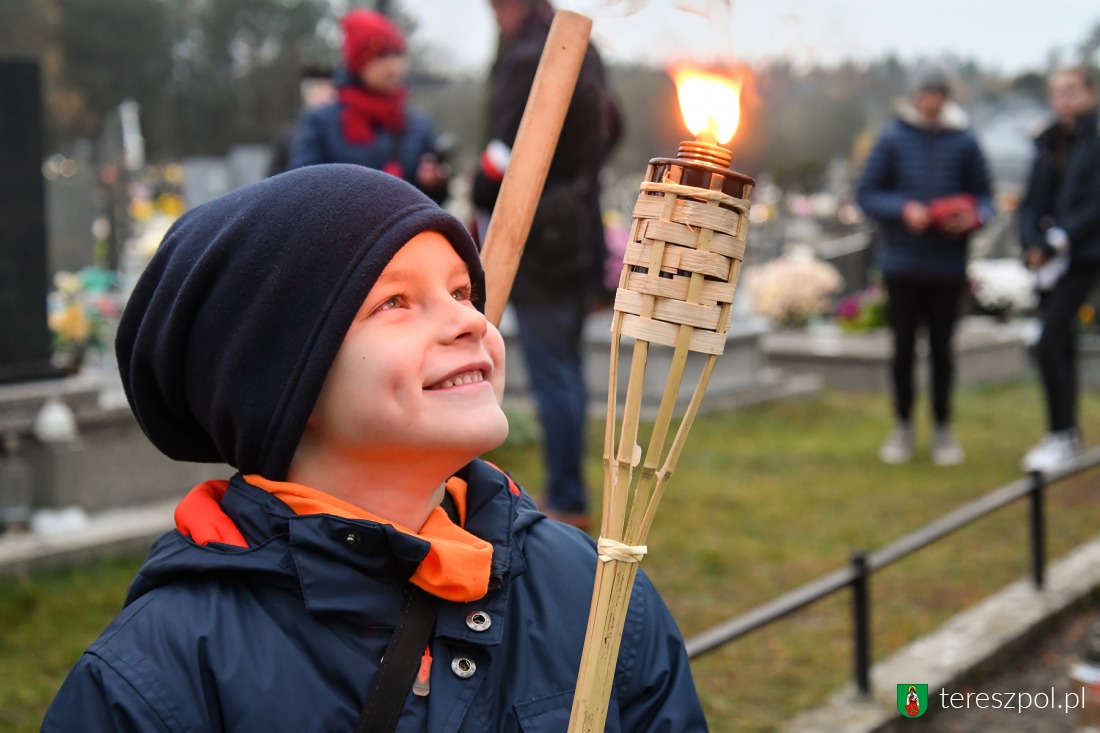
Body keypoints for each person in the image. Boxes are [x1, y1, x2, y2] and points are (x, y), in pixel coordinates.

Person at [39, 165, 705, 731]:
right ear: (284, 383)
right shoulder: (158, 679)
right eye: (395, 302)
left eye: (461, 290)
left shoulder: (592, 594)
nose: (469, 321)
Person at [473, 0, 620, 530]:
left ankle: (566, 497)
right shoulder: (584, 50)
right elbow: (614, 126)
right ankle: (571, 493)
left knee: (554, 372)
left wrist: (478, 189)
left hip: (540, 235)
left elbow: (506, 148)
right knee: (567, 371)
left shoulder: (528, 56)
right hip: (579, 227)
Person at [857, 62, 994, 467]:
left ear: (946, 97)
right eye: (925, 93)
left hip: (947, 265)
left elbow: (985, 197)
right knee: (902, 349)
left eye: (937, 93)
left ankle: (942, 428)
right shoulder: (892, 138)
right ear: (915, 96)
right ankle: (902, 425)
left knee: (942, 351)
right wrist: (904, 210)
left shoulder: (965, 140)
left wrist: (972, 217)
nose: (931, 100)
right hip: (902, 263)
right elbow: (867, 193)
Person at [1018, 66, 1100, 474]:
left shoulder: (1094, 139)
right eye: (1057, 92)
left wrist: (1059, 239)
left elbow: (1094, 203)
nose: (1063, 100)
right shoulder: (1048, 141)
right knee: (1060, 344)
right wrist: (1032, 241)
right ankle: (1064, 432)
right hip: (1049, 261)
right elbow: (1032, 199)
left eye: (1071, 91)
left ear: (1090, 93)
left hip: (1082, 257)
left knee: (1049, 342)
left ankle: (1061, 433)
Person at [288, 10, 450, 203]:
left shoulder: (418, 126)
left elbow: (433, 203)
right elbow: (300, 190)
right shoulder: (320, 123)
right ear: (359, 62)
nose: (395, 68)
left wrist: (434, 184)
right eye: (382, 56)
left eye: (398, 55)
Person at [267, 65, 336, 177]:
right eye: (317, 88)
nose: (322, 95)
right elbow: (273, 178)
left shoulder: (345, 134)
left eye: (326, 88)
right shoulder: (288, 136)